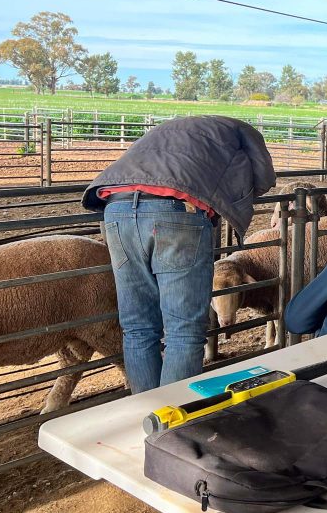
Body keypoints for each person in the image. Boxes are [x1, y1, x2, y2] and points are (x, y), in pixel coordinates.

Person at [82, 116, 275, 394]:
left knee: (138, 328)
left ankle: (145, 416)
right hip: (174, 211)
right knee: (183, 331)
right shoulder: (241, 132)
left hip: (116, 209)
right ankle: (172, 423)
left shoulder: (169, 130)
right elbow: (264, 176)